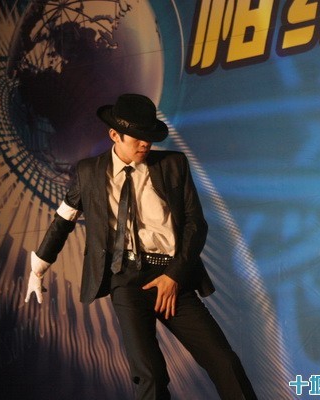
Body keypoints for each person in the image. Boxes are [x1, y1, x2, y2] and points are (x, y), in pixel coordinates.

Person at [25, 93, 258, 400]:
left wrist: (174, 276)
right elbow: (64, 218)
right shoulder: (89, 172)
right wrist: (39, 267)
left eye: (149, 138)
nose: (145, 144)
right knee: (150, 375)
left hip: (171, 278)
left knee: (224, 361)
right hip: (126, 279)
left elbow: (195, 225)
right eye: (137, 138)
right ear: (114, 135)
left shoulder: (173, 165)